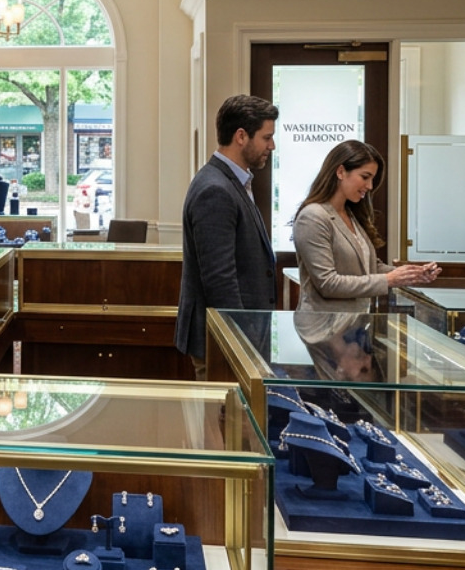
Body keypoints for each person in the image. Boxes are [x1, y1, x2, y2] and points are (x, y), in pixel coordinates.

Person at [175, 94, 279, 377]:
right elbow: (220, 280)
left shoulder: (232, 181)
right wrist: (241, 344)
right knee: (221, 422)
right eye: (266, 137)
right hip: (225, 344)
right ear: (241, 136)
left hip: (238, 339)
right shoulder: (215, 189)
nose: (272, 145)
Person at [292, 140, 439, 312]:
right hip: (323, 328)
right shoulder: (313, 216)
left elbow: (370, 267)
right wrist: (389, 279)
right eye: (365, 177)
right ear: (341, 172)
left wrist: (411, 274)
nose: (369, 186)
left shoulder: (351, 215)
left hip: (352, 327)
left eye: (372, 179)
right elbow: (328, 283)